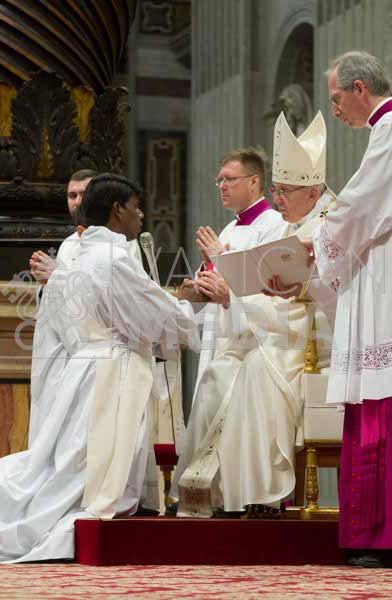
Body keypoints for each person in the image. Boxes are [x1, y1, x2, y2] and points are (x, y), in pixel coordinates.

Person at [0, 174, 200, 563]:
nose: (141, 215)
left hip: (83, 367)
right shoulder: (115, 259)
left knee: (72, 460)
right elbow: (155, 316)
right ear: (118, 210)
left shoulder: (74, 259)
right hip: (112, 373)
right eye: (135, 206)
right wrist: (189, 303)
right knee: (88, 469)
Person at [175, 111, 337, 518]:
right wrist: (234, 290)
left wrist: (237, 296)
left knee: (254, 371)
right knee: (219, 372)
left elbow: (311, 300)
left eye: (284, 191)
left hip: (315, 343)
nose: (276, 199)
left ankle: (263, 494)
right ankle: (220, 492)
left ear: (312, 193)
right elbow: (274, 293)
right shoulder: (291, 226)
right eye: (277, 190)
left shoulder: (326, 228)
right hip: (278, 332)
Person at [305, 51, 392, 568]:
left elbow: (360, 206)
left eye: (337, 99)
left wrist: (318, 239)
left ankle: (379, 534)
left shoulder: (390, 131)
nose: (334, 111)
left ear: (361, 89)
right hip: (376, 267)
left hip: (383, 277)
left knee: (379, 399)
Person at [166, 147, 283, 514]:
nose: (222, 186)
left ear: (254, 181)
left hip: (256, 345)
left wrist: (222, 267)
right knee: (209, 397)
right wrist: (202, 281)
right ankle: (211, 496)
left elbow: (268, 289)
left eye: (229, 179)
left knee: (222, 398)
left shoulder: (275, 226)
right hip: (226, 337)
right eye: (219, 181)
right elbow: (223, 284)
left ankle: (236, 497)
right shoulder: (230, 229)